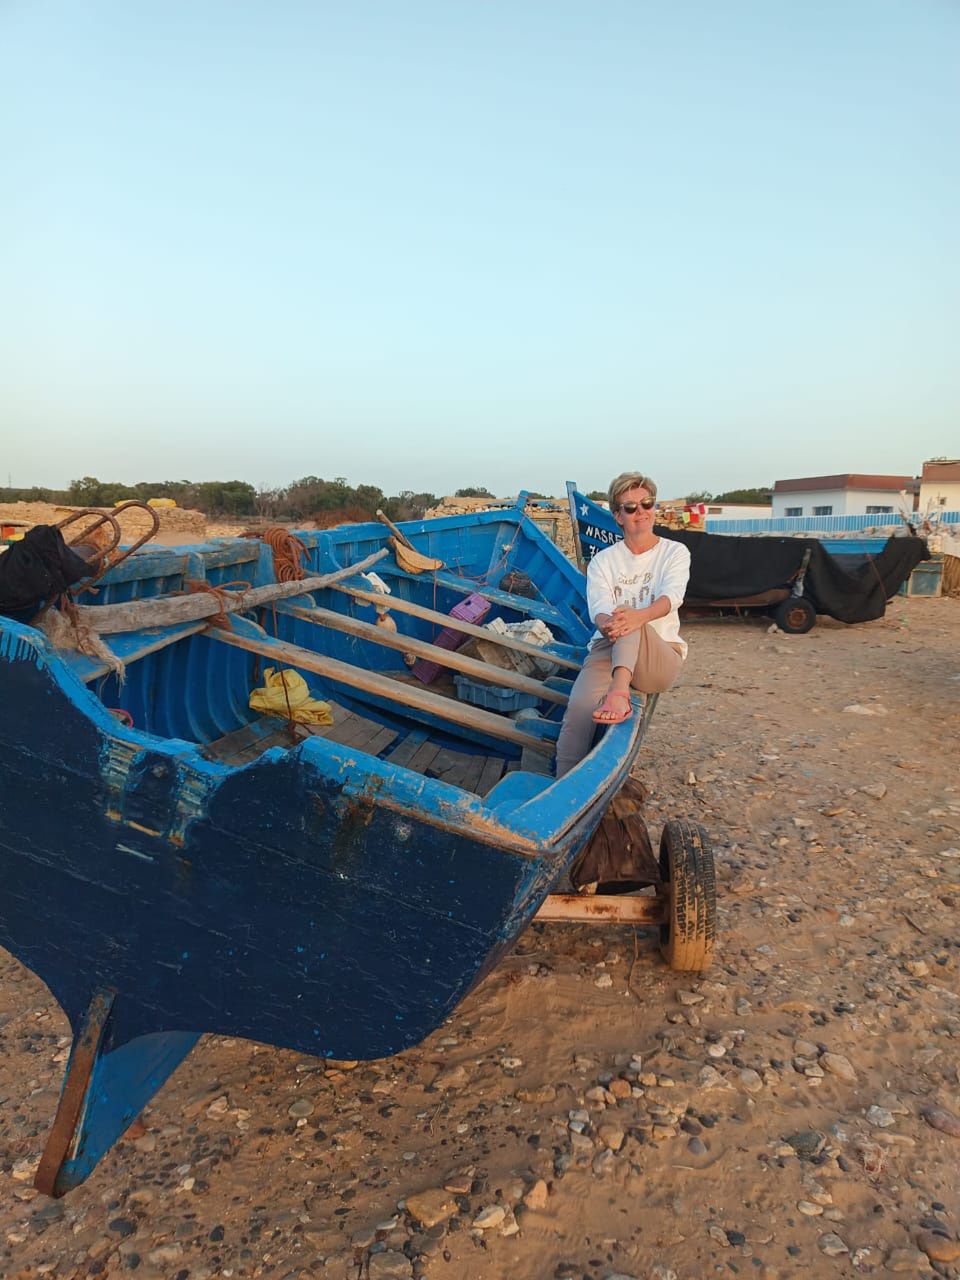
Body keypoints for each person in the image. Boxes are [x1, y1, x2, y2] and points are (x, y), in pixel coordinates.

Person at [555, 471, 691, 777]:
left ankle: (619, 692)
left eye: (647, 503)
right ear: (618, 516)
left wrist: (635, 617)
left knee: (629, 616)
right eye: (630, 507)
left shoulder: (674, 553)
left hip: (658, 654)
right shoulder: (603, 561)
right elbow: (600, 611)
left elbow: (673, 597)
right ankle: (562, 785)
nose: (640, 512)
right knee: (577, 710)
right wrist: (611, 624)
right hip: (610, 643)